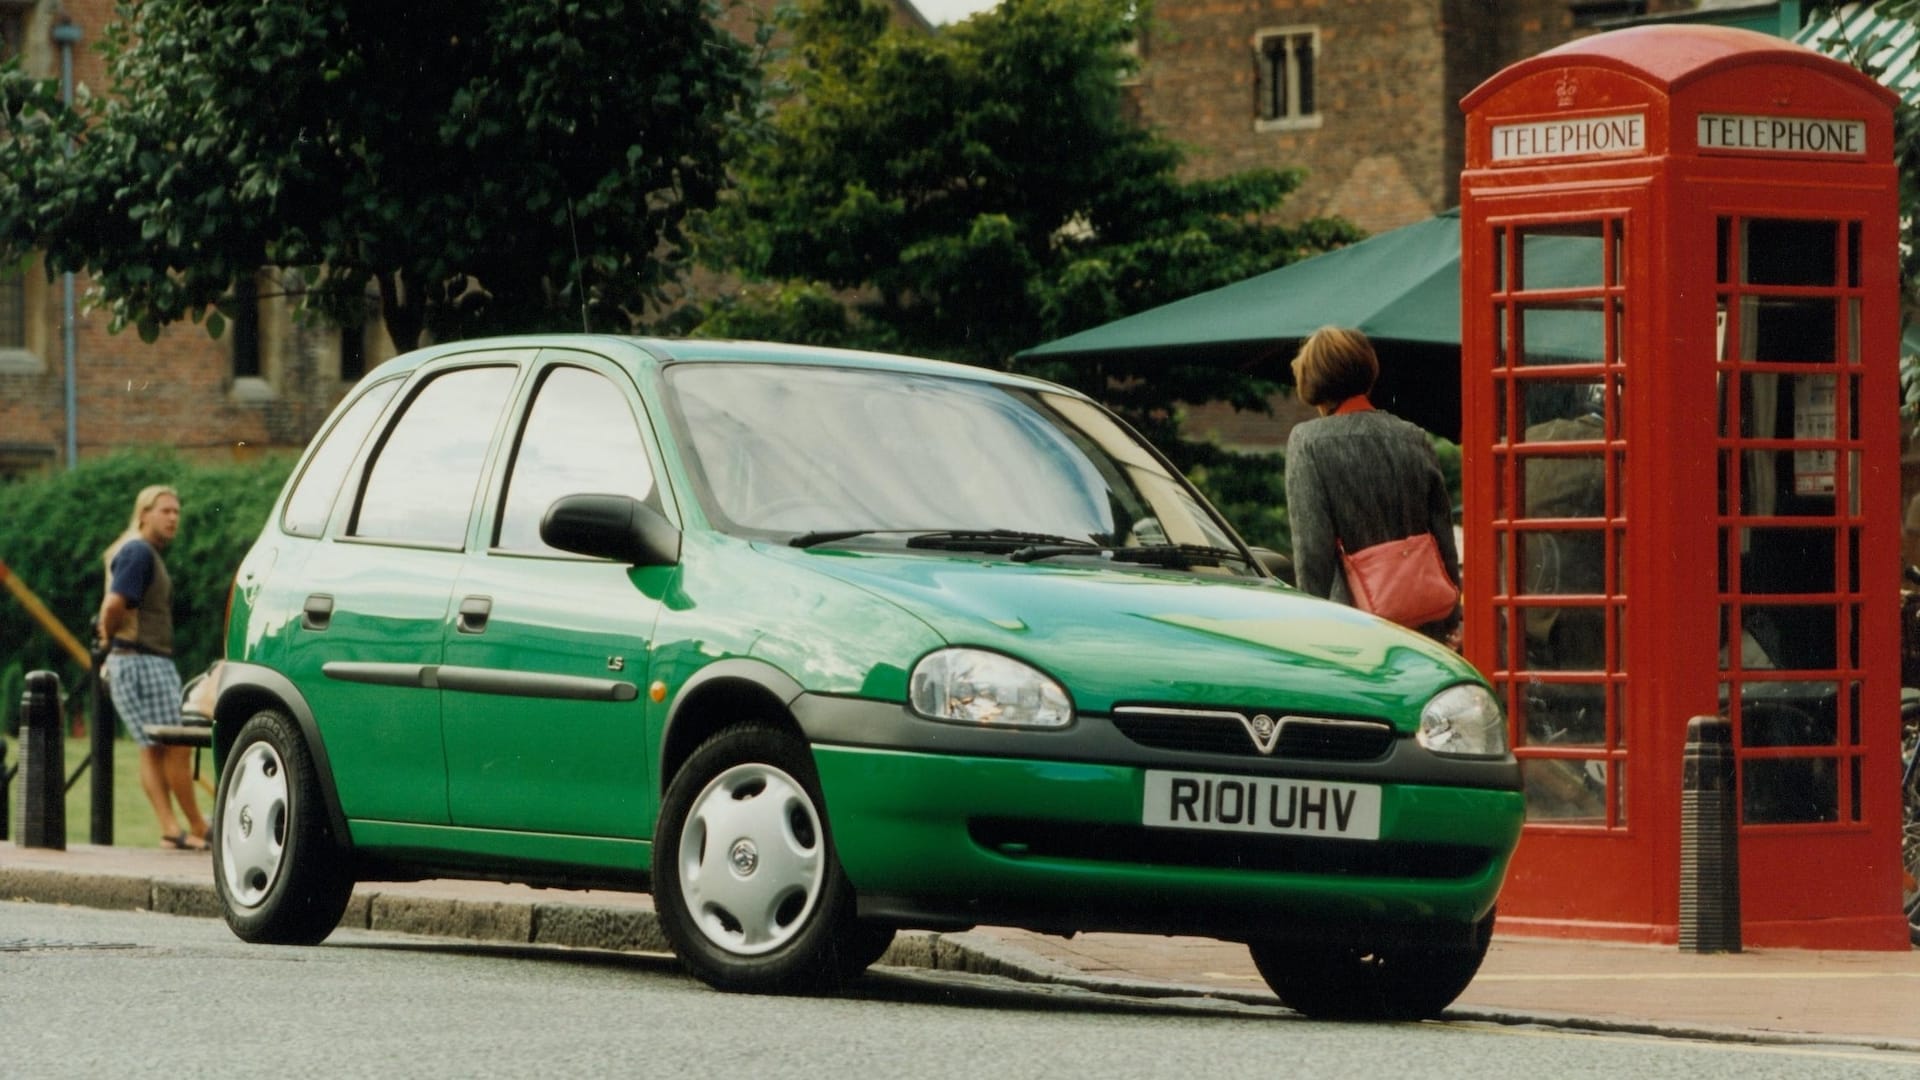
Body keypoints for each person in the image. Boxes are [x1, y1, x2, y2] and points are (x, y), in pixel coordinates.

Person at [1284, 326, 1461, 643]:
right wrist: (1450, 619)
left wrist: (1307, 630)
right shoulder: (1413, 436)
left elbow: (1313, 552)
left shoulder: (1308, 443)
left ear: (1312, 381)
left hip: (1354, 628)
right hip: (1425, 624)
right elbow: (1442, 534)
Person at [95, 484, 208, 850]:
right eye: (165, 511)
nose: (173, 517)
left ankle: (173, 828)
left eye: (177, 511)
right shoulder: (138, 552)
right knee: (175, 745)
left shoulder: (141, 552)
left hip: (140, 660)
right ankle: (193, 826)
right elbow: (114, 605)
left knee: (154, 748)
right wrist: (107, 635)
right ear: (144, 514)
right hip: (140, 660)